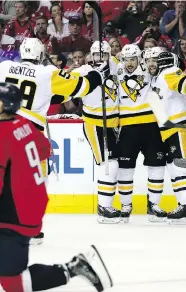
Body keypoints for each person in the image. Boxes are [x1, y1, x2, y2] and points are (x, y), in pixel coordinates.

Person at [0, 82, 113, 292]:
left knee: (13, 284)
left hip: (14, 213)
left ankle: (76, 267)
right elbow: (44, 149)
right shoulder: (24, 125)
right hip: (29, 203)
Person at [147, 50, 186, 224]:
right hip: (174, 127)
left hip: (181, 125)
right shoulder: (158, 78)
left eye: (159, 62)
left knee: (180, 166)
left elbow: (181, 82)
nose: (157, 64)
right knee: (174, 166)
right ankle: (183, 205)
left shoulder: (168, 71)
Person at [70, 41, 121, 223]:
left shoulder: (114, 64)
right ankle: (103, 206)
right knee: (107, 164)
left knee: (114, 164)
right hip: (94, 124)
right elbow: (67, 82)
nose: (101, 59)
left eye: (104, 55)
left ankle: (107, 204)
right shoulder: (83, 71)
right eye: (97, 55)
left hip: (114, 123)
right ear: (91, 56)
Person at [116, 44, 168, 223]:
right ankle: (125, 205)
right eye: (126, 59)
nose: (130, 63)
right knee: (125, 169)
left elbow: (164, 64)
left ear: (140, 58)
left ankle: (153, 205)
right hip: (127, 127)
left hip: (151, 125)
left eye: (133, 59)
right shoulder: (117, 70)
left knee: (157, 165)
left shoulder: (149, 70)